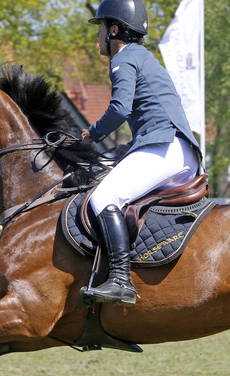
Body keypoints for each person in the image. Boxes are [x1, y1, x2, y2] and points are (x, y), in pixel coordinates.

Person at [80, 0, 201, 307]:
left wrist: (91, 134)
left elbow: (120, 108)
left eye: (101, 29)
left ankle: (120, 280)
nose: (98, 37)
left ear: (115, 30)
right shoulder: (142, 56)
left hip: (164, 148)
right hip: (177, 150)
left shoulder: (122, 59)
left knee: (102, 199)